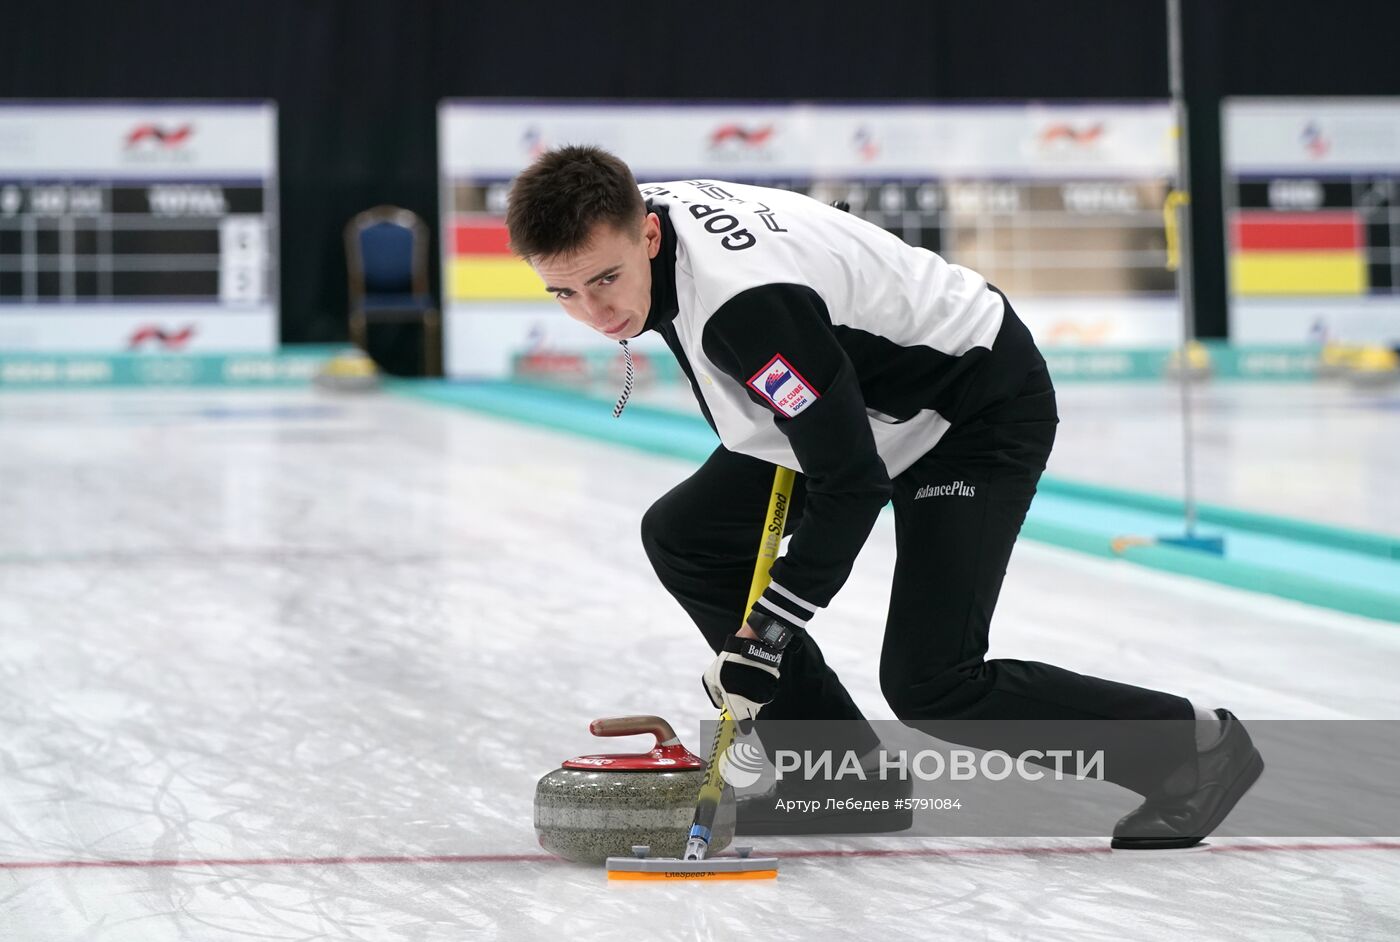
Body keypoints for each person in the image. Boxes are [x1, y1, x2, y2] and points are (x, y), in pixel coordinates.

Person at [505, 144, 1263, 849]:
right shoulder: (637, 222)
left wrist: (765, 636)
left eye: (605, 280)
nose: (596, 313)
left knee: (932, 682)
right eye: (563, 292)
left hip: (970, 407)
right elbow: (820, 434)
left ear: (647, 234)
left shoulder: (746, 308)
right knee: (687, 534)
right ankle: (842, 779)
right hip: (865, 395)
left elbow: (852, 481)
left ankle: (1193, 748)